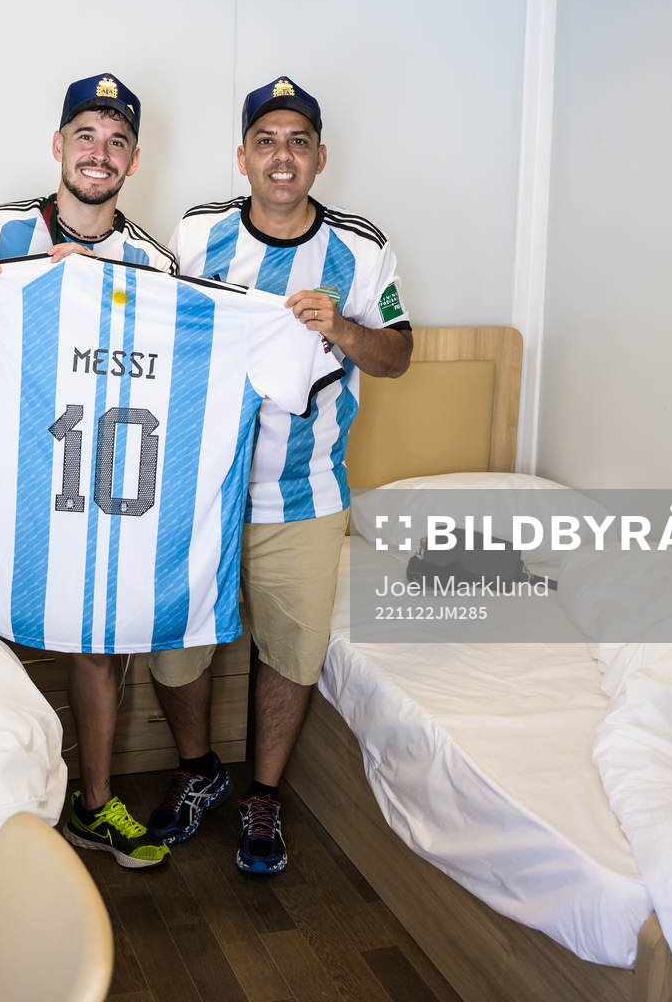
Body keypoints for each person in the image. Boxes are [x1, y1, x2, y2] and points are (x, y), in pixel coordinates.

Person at [0, 72, 174, 869]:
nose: (100, 152)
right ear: (59, 146)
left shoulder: (153, 259)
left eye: (117, 141)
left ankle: (94, 803)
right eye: (86, 136)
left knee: (96, 644)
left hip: (94, 488)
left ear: (134, 160)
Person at [145, 76, 412, 875]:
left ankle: (263, 791)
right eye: (267, 142)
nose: (282, 156)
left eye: (298, 141)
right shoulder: (197, 235)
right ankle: (198, 770)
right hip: (196, 490)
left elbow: (398, 354)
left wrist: (346, 332)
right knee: (175, 644)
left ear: (320, 157)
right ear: (243, 157)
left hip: (305, 494)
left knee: (292, 650)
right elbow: (152, 322)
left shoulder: (360, 249)